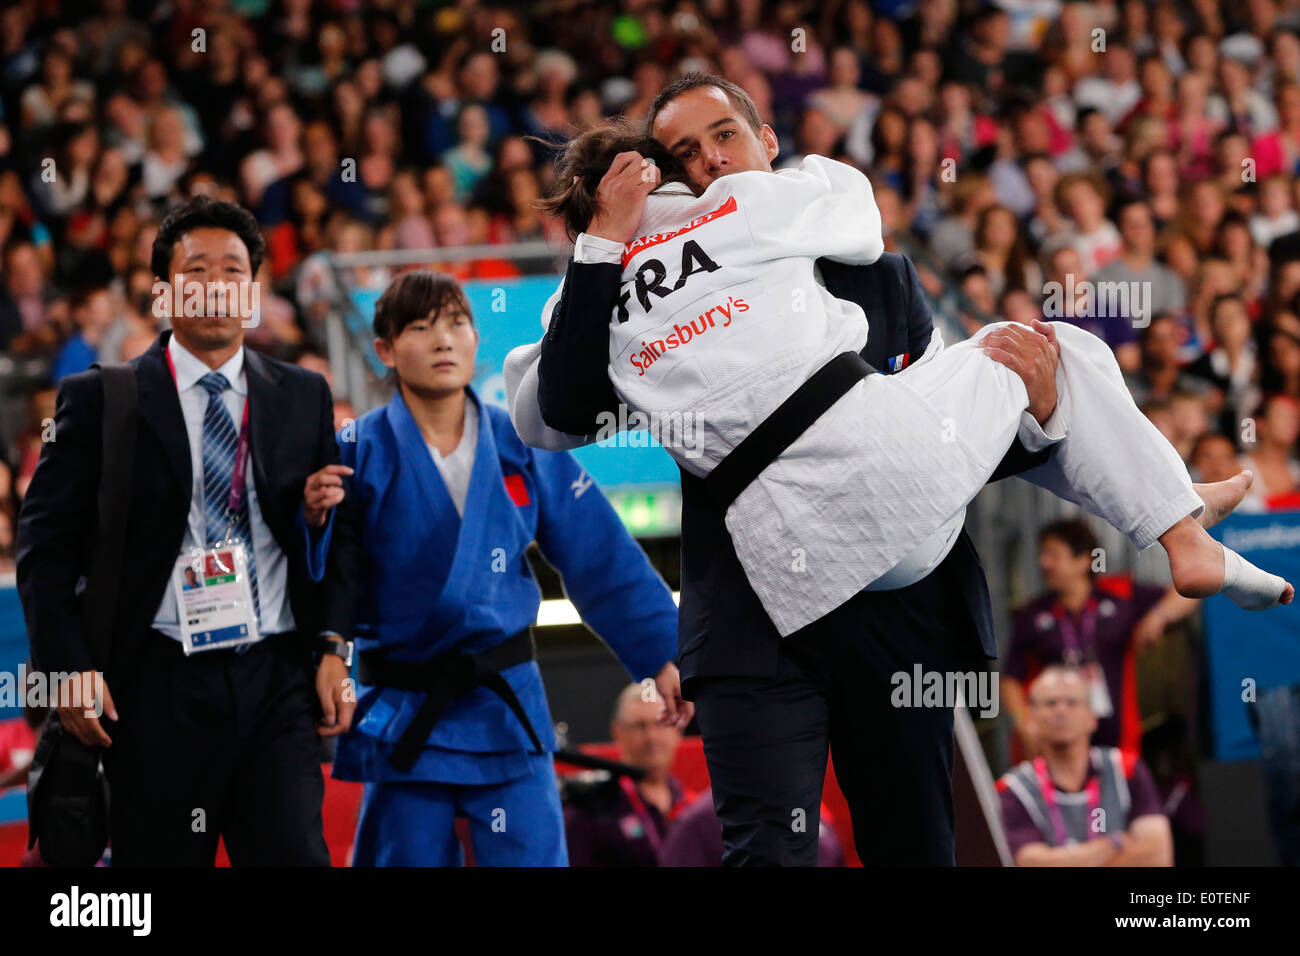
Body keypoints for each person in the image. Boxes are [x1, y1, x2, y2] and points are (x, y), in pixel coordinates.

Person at [506, 73, 1065, 867]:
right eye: (684, 155)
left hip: (896, 611)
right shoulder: (651, 296)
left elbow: (943, 452)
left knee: (917, 849)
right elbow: (561, 409)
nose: (711, 162)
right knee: (769, 854)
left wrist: (1038, 417)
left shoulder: (880, 274)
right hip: (751, 623)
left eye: (725, 136)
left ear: (769, 142)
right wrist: (601, 243)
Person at [533, 120, 1290, 629]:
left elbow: (548, 415)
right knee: (1045, 347)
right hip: (896, 479)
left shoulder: (576, 306)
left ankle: (1174, 514)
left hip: (806, 571)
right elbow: (857, 212)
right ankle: (1175, 524)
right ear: (659, 178)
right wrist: (770, 167)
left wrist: (601, 255)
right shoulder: (738, 205)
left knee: (1020, 397)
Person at [15, 195, 353, 866]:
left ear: (253, 292)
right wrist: (70, 670)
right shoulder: (102, 400)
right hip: (156, 687)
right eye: (196, 270)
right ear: (165, 294)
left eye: (234, 270)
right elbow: (43, 550)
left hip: (274, 679)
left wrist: (332, 646)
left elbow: (334, 534)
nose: (218, 286)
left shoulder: (302, 394)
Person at [320, 271, 686, 867]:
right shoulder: (357, 448)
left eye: (457, 323)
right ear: (384, 350)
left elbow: (598, 554)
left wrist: (659, 651)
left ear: (474, 338)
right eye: (421, 327)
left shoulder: (518, 442)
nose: (444, 340)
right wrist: (329, 651)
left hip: (504, 708)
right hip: (405, 710)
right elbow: (329, 575)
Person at [1002, 519, 1200, 758]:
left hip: (1118, 737)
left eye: (1053, 555)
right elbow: (1011, 679)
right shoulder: (1032, 614)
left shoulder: (1120, 594)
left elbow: (1190, 592)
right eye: (1043, 554)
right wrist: (1024, 723)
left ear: (1083, 560)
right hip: (1057, 740)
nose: (1043, 563)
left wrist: (1159, 616)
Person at [997, 666, 1173, 866]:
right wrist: (1113, 844)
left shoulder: (1126, 769)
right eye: (1050, 703)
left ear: (1092, 717)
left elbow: (1157, 856)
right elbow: (1030, 863)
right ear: (1032, 718)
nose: (1061, 710)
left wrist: (1062, 860)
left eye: (1072, 702)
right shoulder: (1014, 791)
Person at [564, 683, 693, 867]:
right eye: (640, 726)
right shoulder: (591, 806)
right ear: (617, 731)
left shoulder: (690, 803)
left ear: (678, 729)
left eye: (661, 722)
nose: (651, 737)